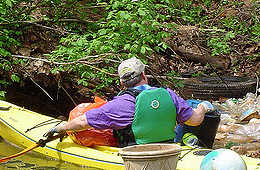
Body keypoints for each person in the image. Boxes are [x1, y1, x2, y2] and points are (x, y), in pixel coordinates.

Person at [43, 57, 213, 146]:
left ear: (122, 83)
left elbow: (82, 122)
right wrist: (203, 106)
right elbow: (195, 120)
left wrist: (59, 128)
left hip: (135, 155)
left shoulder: (119, 105)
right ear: (144, 75)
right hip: (167, 151)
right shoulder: (168, 94)